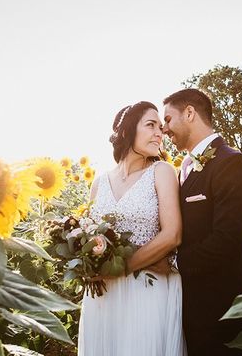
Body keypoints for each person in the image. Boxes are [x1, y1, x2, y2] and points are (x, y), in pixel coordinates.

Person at [77, 101, 187, 356]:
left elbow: (173, 235)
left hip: (146, 291)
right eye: (151, 125)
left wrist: (121, 268)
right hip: (103, 295)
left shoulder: (162, 171)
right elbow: (90, 237)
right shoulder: (99, 182)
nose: (160, 133)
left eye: (161, 127)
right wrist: (86, 265)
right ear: (127, 131)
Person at [162, 88, 242, 356]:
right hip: (188, 306)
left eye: (168, 119)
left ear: (189, 113)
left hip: (222, 307)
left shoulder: (231, 162)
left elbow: (228, 240)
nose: (165, 129)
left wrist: (173, 264)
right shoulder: (183, 168)